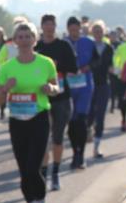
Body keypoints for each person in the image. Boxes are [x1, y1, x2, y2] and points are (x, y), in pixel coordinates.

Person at [0, 22, 61, 203]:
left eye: (27, 36)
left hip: (39, 118)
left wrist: (50, 88)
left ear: (34, 39)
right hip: (17, 121)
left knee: (33, 168)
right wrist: (5, 88)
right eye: (20, 37)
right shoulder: (7, 68)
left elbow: (56, 88)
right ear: (14, 41)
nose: (23, 40)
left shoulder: (46, 63)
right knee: (24, 172)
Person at [35, 13, 79, 191]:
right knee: (43, 138)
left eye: (52, 24)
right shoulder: (36, 47)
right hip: (40, 96)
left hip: (61, 97)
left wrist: (55, 66)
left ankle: (55, 173)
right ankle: (43, 174)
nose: (49, 28)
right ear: (41, 26)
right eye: (46, 24)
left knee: (58, 137)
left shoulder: (63, 45)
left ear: (55, 26)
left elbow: (74, 68)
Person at [64, 17, 96, 170]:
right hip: (69, 87)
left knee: (81, 120)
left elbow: (97, 60)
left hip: (85, 86)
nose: (74, 33)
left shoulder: (88, 42)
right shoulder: (63, 44)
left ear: (80, 29)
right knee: (71, 123)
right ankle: (74, 152)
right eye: (71, 30)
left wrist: (87, 67)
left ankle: (81, 155)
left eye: (76, 30)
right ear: (67, 29)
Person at [87, 21, 114, 159]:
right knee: (89, 113)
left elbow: (111, 65)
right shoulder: (88, 46)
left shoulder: (108, 48)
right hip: (90, 84)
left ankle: (96, 147)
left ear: (104, 32)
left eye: (100, 31)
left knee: (101, 115)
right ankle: (89, 129)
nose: (98, 33)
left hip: (103, 84)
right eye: (95, 30)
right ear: (92, 32)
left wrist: (115, 71)